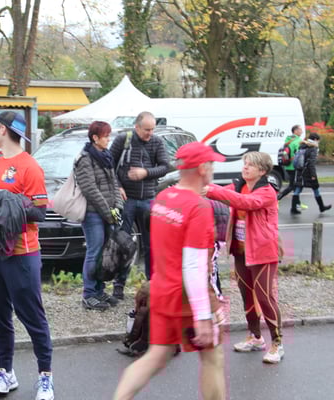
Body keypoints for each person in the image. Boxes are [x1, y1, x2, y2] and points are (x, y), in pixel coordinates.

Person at [112, 142, 225, 400]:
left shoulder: (163, 198)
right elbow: (194, 265)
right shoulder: (199, 207)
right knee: (213, 358)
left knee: (157, 355)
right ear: (202, 168)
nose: (213, 168)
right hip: (188, 298)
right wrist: (203, 315)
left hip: (162, 291)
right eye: (211, 164)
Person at [0, 111, 54, 400]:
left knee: (32, 318)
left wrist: (4, 201)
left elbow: (40, 212)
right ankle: (6, 372)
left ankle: (45, 378)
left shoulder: (29, 166)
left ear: (3, 130)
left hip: (23, 253)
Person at [205, 151, 284, 364]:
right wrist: (200, 187)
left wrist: (210, 190)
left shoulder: (267, 192)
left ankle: (277, 343)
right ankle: (255, 337)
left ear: (262, 171)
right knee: (247, 295)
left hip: (263, 252)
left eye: (250, 165)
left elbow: (244, 202)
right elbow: (224, 192)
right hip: (241, 251)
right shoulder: (239, 185)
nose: (245, 167)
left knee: (265, 297)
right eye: (245, 163)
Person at [109, 111, 169, 299]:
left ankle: (152, 285)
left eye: (152, 129)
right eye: (146, 130)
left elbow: (165, 166)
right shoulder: (123, 140)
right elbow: (109, 166)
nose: (150, 133)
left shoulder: (157, 142)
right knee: (123, 244)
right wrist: (117, 186)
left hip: (148, 199)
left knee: (151, 245)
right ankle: (118, 286)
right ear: (137, 127)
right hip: (127, 200)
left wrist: (146, 172)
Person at [74, 121, 123, 311]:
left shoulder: (106, 156)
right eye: (106, 136)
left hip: (108, 213)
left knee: (104, 253)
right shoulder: (84, 158)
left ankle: (100, 290)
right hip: (93, 214)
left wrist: (117, 206)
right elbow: (90, 189)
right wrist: (107, 211)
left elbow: (114, 184)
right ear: (95, 138)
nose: (108, 139)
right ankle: (89, 294)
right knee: (94, 252)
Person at [291, 133, 331, 214]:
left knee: (298, 189)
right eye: (318, 141)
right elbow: (311, 163)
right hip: (308, 172)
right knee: (316, 188)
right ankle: (321, 207)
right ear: (315, 140)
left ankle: (293, 208)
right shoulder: (313, 148)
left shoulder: (302, 146)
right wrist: (313, 175)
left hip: (300, 171)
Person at [277, 124, 304, 201]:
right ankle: (278, 197)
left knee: (294, 185)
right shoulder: (298, 141)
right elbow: (300, 154)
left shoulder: (288, 140)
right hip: (295, 166)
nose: (302, 131)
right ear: (295, 131)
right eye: (300, 130)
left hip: (287, 165)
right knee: (293, 185)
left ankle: (296, 202)